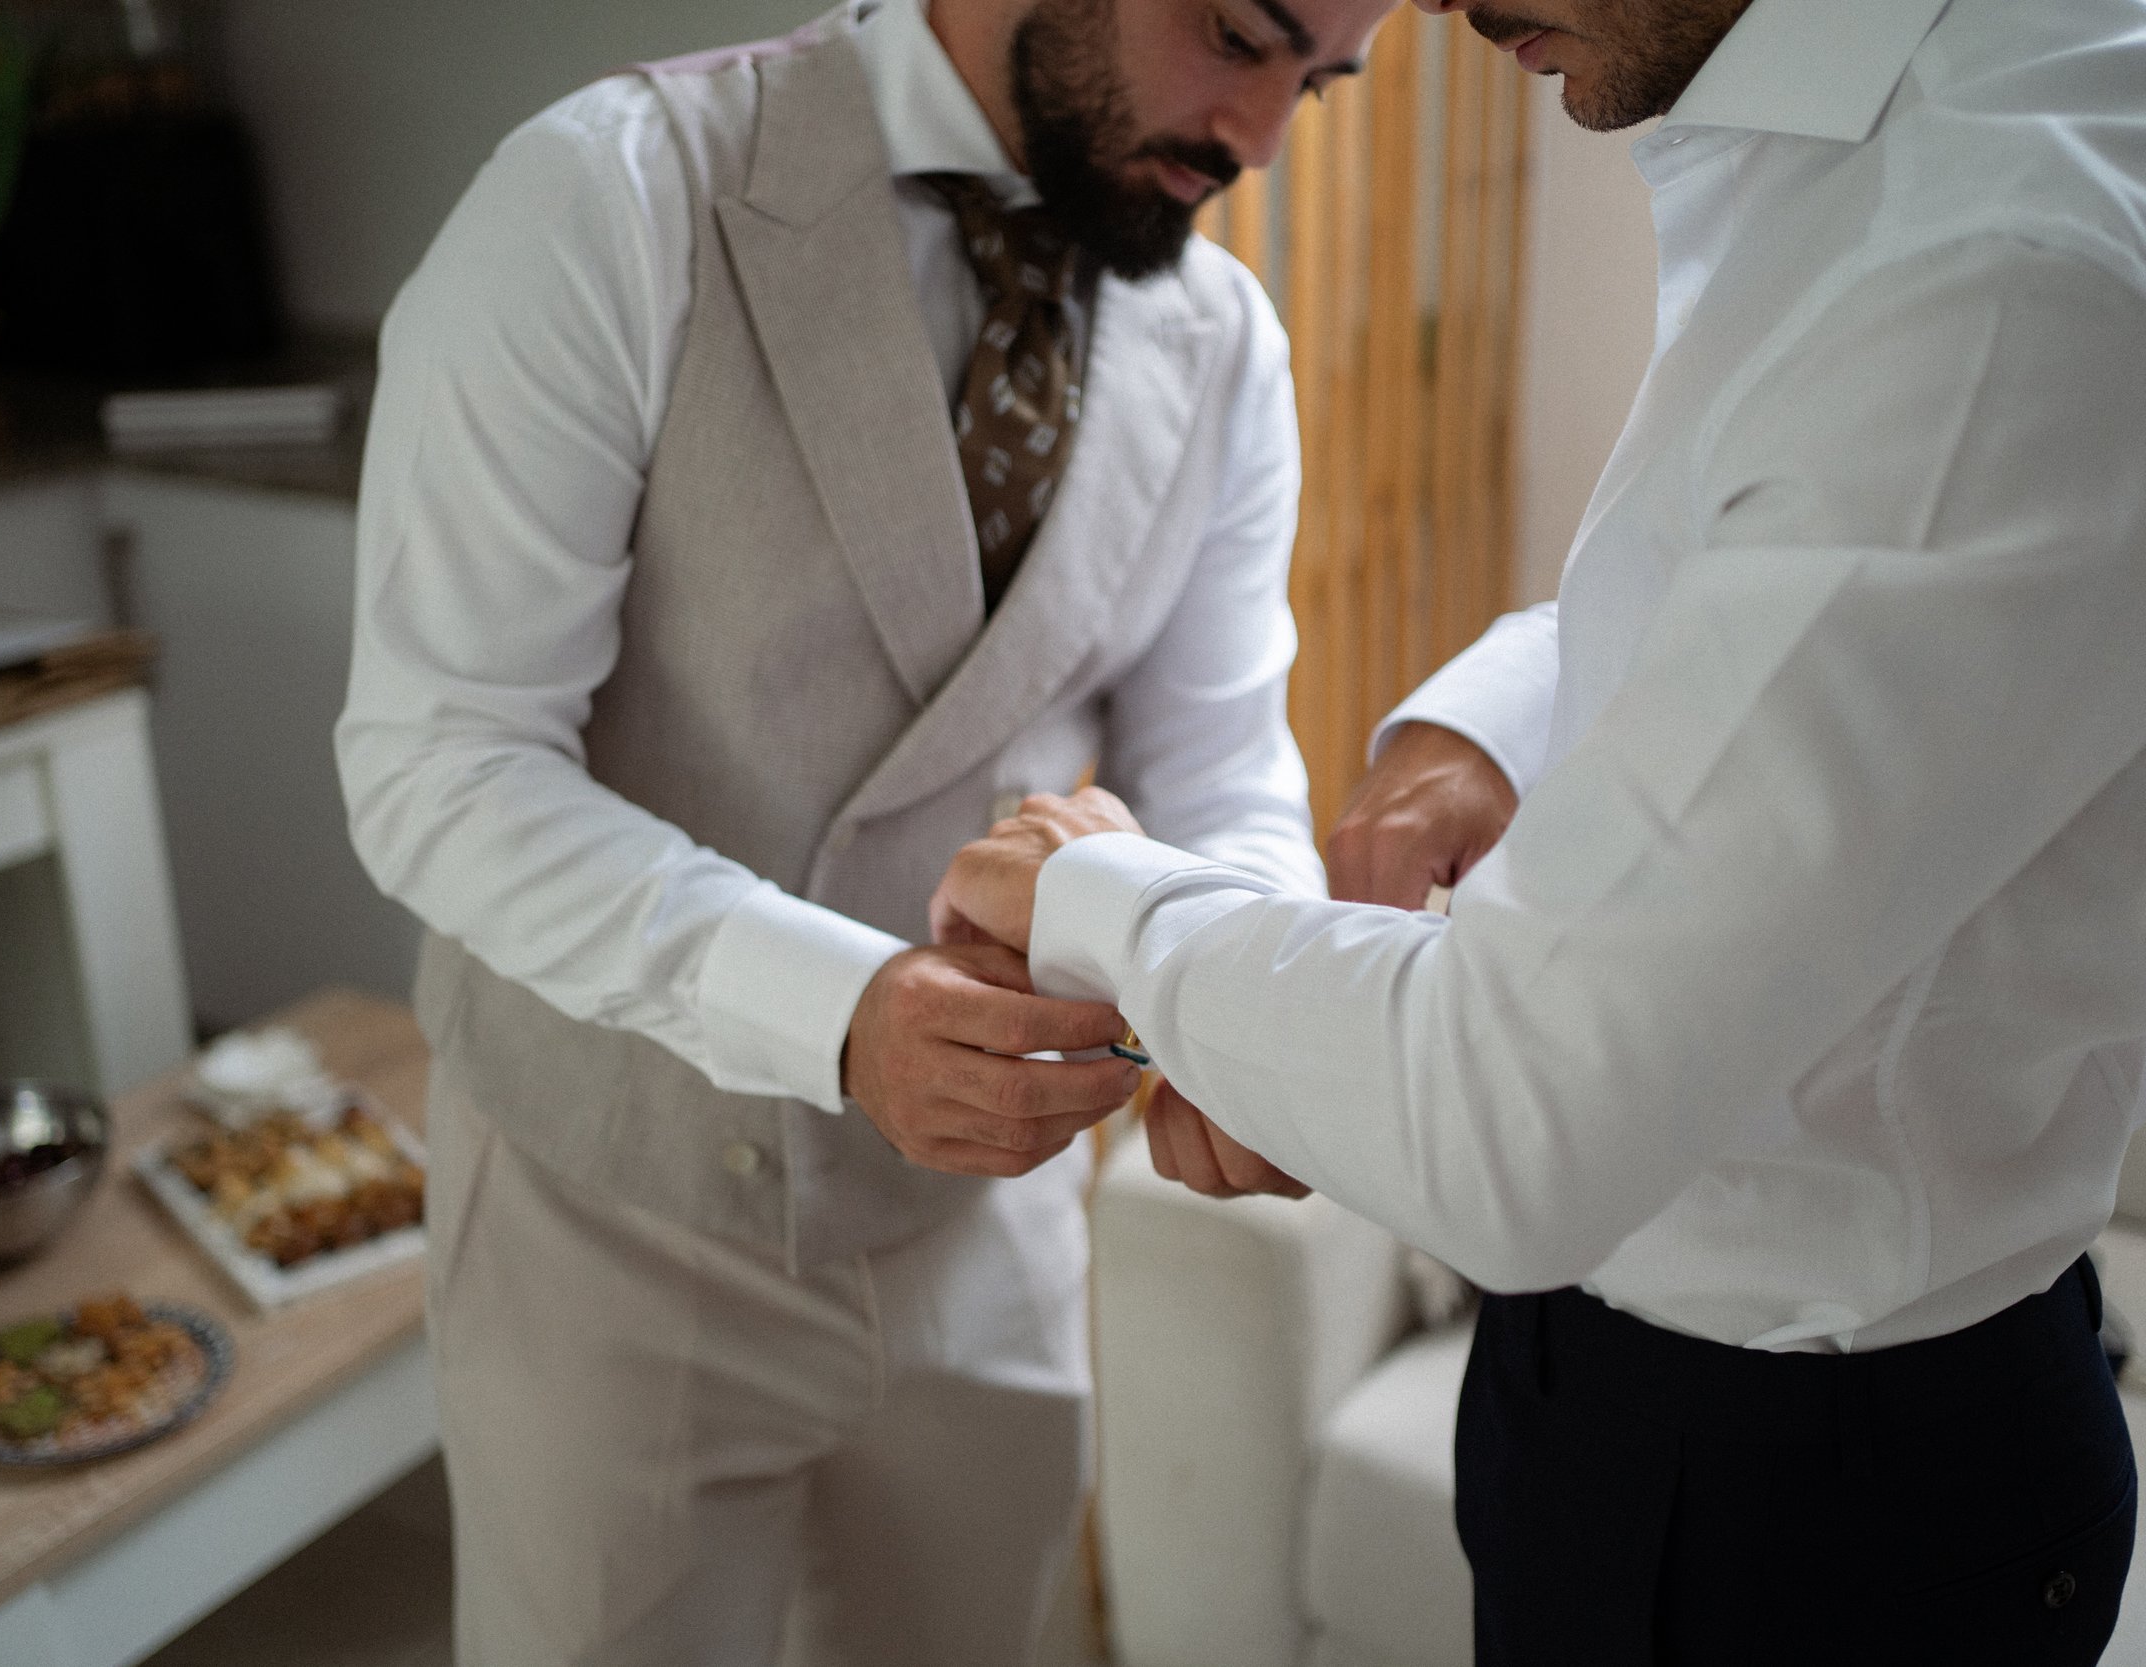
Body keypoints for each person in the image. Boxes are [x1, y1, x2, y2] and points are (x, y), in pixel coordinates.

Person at [931, 0, 2146, 1659]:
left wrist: (1101, 897)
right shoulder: (1959, 110)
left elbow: (1513, 1120)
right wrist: (1489, 724)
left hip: (1809, 1514)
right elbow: (1788, 563)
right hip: (1651, 1404)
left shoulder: (2032, 249)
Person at [334, 0, 1393, 1659]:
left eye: (1316, 84)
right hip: (615, 1211)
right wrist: (834, 1013)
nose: (1258, 138)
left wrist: (1246, 1000)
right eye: (1236, 36)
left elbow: (1220, 758)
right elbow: (441, 763)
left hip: (994, 1224)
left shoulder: (1224, 346)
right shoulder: (605, 198)